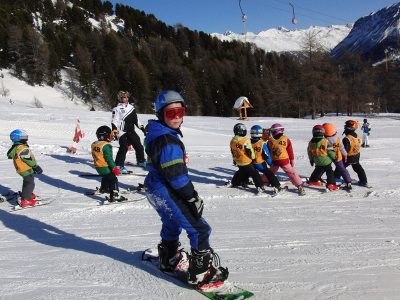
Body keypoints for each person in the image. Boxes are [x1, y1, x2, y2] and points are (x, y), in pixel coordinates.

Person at [144, 90, 228, 287]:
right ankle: (200, 272)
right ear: (160, 115)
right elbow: (176, 176)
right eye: (171, 114)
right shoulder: (167, 140)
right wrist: (191, 197)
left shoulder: (156, 133)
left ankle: (169, 258)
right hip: (167, 188)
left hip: (154, 187)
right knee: (200, 228)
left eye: (180, 112)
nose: (177, 118)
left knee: (172, 222)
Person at [111, 90, 147, 174]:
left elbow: (136, 120)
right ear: (120, 98)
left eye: (127, 97)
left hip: (131, 130)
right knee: (124, 147)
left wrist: (142, 128)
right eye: (124, 97)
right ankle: (118, 165)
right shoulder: (117, 109)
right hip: (121, 131)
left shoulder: (131, 107)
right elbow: (114, 121)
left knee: (138, 145)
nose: (126, 99)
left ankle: (141, 161)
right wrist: (114, 130)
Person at [7, 129, 43, 207]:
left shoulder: (17, 146)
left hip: (22, 168)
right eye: (24, 137)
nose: (26, 138)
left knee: (27, 182)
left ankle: (27, 194)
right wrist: (35, 166)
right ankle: (26, 199)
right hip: (25, 168)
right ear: (18, 138)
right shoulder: (22, 148)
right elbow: (28, 159)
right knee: (30, 183)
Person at [267, 123, 305, 195]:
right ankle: (299, 185)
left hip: (274, 161)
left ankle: (264, 180)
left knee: (270, 172)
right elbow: (290, 151)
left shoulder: (270, 141)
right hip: (284, 160)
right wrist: (292, 160)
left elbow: (268, 151)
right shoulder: (286, 139)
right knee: (291, 173)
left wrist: (269, 160)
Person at [91, 125, 124, 202]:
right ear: (105, 136)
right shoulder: (106, 146)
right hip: (105, 167)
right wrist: (114, 168)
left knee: (106, 177)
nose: (111, 136)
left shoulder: (94, 144)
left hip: (98, 167)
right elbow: (109, 159)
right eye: (109, 134)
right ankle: (114, 195)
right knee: (113, 178)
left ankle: (104, 188)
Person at [229, 123, 265, 193]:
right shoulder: (245, 140)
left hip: (238, 161)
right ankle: (260, 186)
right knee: (254, 173)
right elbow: (249, 151)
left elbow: (233, 151)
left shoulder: (232, 141)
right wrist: (253, 158)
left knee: (241, 172)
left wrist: (234, 159)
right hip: (246, 161)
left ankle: (235, 182)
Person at [249, 125, 283, 194]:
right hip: (260, 163)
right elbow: (266, 155)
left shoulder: (248, 141)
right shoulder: (261, 143)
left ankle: (259, 186)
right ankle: (277, 186)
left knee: (255, 174)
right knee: (269, 173)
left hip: (251, 163)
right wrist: (270, 163)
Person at [334, 120, 369, 187]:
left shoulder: (347, 138)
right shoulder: (356, 136)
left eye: (345, 127)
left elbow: (345, 150)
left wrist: (339, 155)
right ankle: (363, 181)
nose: (344, 128)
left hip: (348, 157)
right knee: (359, 169)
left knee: (340, 167)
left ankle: (335, 179)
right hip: (356, 156)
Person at [322, 123, 353, 190]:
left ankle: (320, 179)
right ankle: (348, 182)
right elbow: (342, 148)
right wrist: (345, 154)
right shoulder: (337, 139)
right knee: (342, 169)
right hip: (337, 157)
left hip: (327, 158)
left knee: (325, 168)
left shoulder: (324, 140)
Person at [307, 125, 337, 191]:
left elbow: (309, 152)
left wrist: (311, 160)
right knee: (329, 172)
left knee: (318, 170)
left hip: (317, 160)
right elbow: (330, 151)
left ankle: (313, 180)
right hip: (326, 161)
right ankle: (331, 183)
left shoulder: (310, 143)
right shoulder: (325, 141)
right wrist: (334, 157)